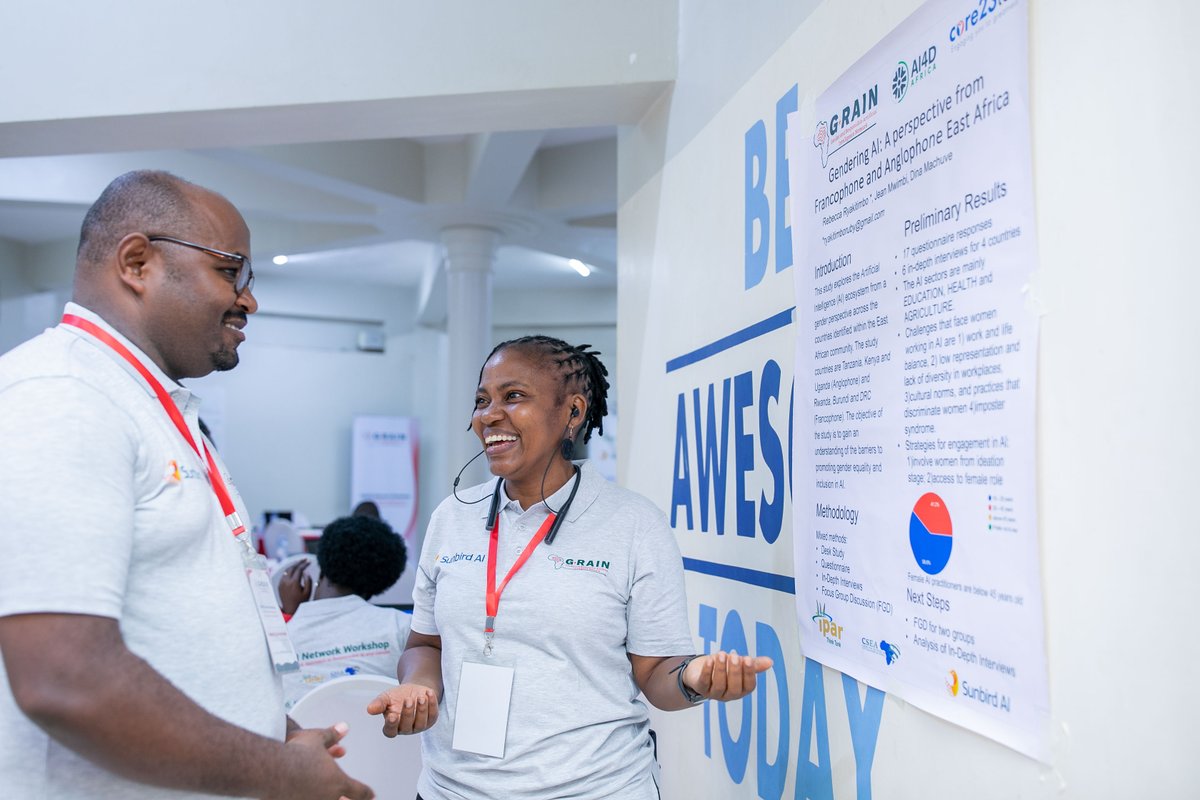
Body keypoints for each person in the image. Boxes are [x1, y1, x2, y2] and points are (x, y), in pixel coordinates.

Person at [0, 170, 372, 800]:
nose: (249, 300)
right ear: (138, 262)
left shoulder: (147, 403)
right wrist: (278, 774)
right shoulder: (63, 394)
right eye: (231, 272)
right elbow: (64, 677)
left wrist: (271, 734)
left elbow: (172, 634)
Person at [367, 336, 772, 799]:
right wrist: (417, 685)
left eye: (513, 396)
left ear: (573, 413)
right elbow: (425, 644)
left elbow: (657, 674)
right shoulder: (451, 517)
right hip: (451, 790)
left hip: (597, 789)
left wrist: (696, 678)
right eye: (482, 400)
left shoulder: (634, 525)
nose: (488, 415)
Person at [279, 515, 412, 710]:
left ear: (322, 567)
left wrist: (289, 614)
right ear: (382, 585)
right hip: (385, 738)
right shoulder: (403, 626)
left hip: (299, 739)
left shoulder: (281, 636)